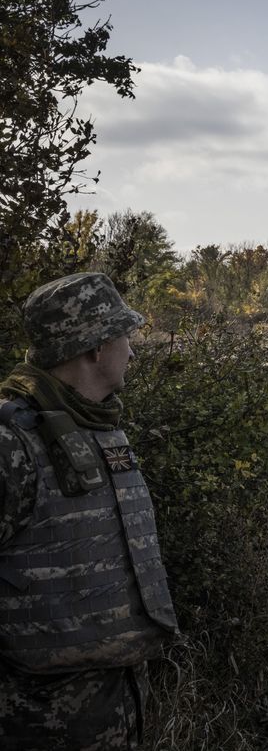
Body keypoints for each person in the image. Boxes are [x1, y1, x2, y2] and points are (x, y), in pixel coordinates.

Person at [0, 272, 179, 749]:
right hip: (34, 718)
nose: (133, 351)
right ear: (95, 347)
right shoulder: (11, 442)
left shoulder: (95, 424)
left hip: (113, 701)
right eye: (126, 336)